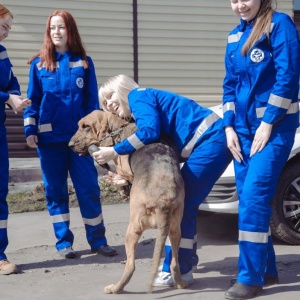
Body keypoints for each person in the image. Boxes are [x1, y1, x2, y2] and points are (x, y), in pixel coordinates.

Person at [93, 74, 232, 286]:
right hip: (209, 141)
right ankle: (186, 261)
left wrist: (114, 151)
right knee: (183, 205)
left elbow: (149, 132)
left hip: (211, 141)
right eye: (104, 102)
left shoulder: (137, 96)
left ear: (123, 89)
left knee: (182, 207)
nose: (109, 104)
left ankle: (177, 269)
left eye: (110, 96)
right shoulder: (143, 100)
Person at [23, 10, 117, 259]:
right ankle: (64, 243)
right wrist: (29, 129)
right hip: (50, 141)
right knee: (55, 191)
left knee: (88, 188)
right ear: (48, 31)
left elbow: (91, 104)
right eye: (53, 28)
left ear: (70, 30)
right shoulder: (39, 64)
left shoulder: (84, 62)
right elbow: (33, 101)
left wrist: (94, 137)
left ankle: (98, 240)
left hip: (81, 143)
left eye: (61, 27)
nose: (56, 32)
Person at [223, 1, 300, 299]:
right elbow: (230, 85)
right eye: (233, 0)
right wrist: (228, 127)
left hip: (274, 129)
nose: (240, 5)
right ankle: (266, 269)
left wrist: (268, 122)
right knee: (249, 200)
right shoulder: (234, 36)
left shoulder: (278, 25)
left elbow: (288, 76)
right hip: (241, 133)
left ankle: (250, 277)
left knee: (254, 197)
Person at [0, 4, 31, 275]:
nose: (7, 33)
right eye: (4, 27)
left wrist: (15, 97)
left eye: (9, 27)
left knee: (0, 192)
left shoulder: (1, 51)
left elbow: (10, 80)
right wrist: (5, 97)